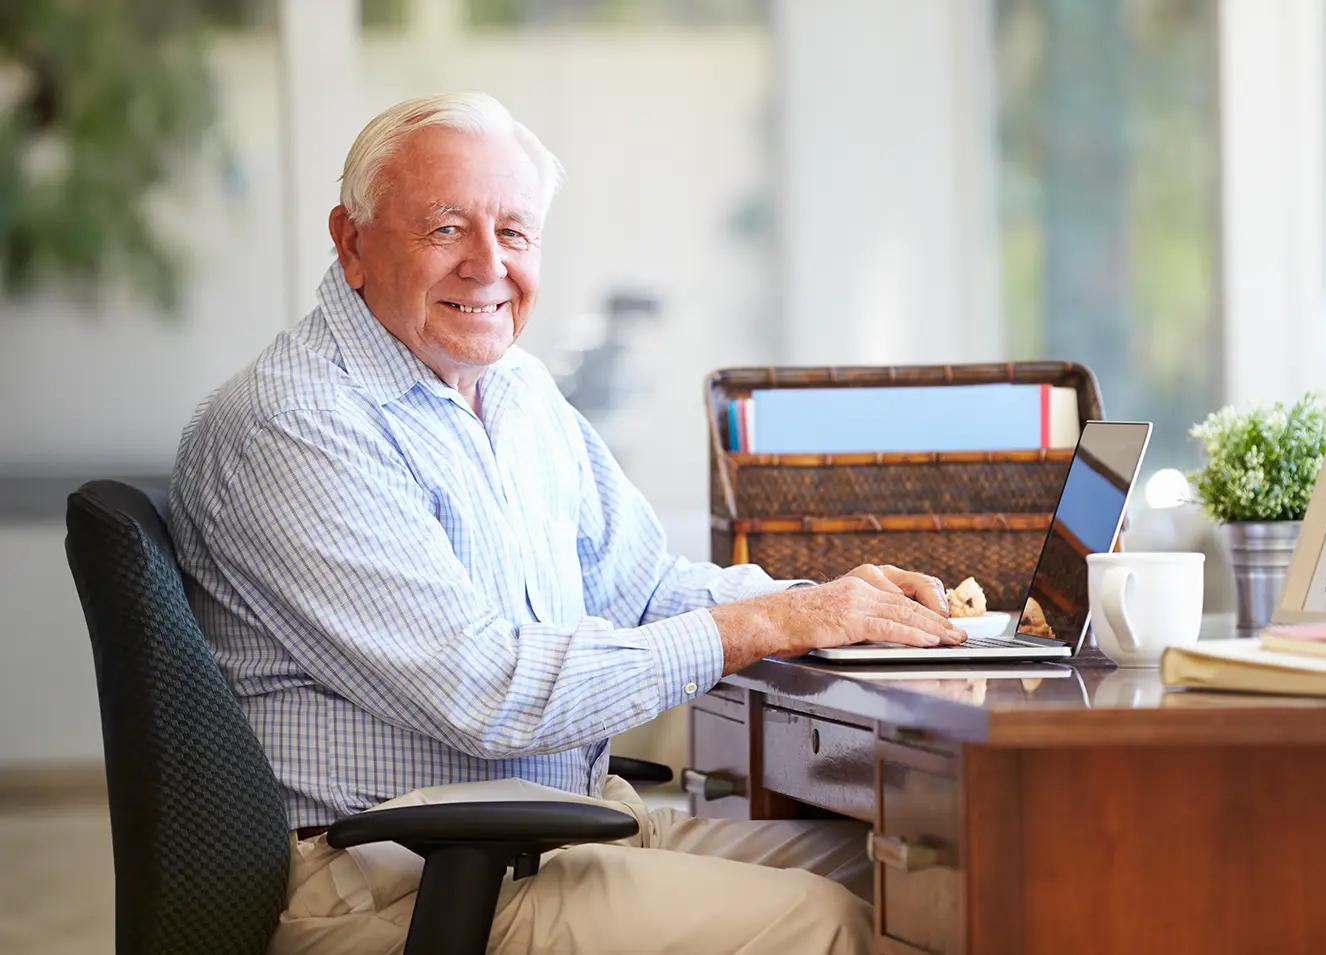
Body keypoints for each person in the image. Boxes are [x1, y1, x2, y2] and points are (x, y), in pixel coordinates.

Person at [169, 91, 963, 955]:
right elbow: (487, 688)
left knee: (934, 878)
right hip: (401, 883)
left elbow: (643, 586)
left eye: (513, 233)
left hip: (559, 837)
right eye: (445, 230)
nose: (486, 265)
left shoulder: (517, 391)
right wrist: (770, 622)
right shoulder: (295, 422)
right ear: (351, 242)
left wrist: (832, 605)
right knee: (832, 926)